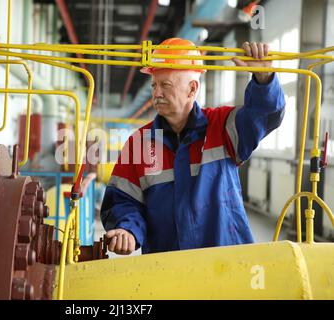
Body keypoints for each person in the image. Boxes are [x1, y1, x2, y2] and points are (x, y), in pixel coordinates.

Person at [100, 38, 286, 255]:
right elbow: (122, 200)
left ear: (192, 89)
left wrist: (264, 82)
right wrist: (127, 230)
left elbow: (266, 116)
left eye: (165, 85)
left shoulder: (223, 127)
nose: (156, 93)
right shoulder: (140, 143)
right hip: (167, 271)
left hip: (228, 266)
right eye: (154, 85)